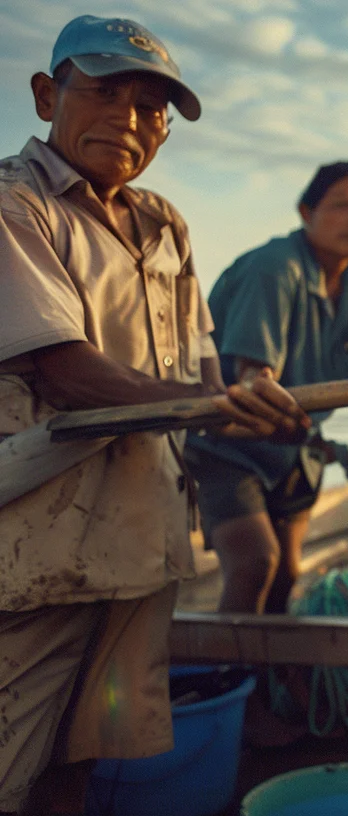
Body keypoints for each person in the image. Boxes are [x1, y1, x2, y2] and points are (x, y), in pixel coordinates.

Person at [0, 16, 309, 815]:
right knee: (10, 761)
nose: (130, 121)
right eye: (106, 93)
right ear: (46, 95)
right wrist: (208, 405)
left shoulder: (165, 223)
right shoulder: (16, 207)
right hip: (38, 544)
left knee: (86, 756)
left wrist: (251, 406)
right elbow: (65, 374)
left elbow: (200, 366)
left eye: (151, 107)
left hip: (143, 540)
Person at [185, 161, 348, 618]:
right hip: (229, 444)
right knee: (255, 564)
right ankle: (223, 679)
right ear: (306, 211)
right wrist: (285, 422)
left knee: (286, 576)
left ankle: (269, 685)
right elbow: (252, 382)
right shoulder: (275, 267)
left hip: (295, 448)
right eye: (342, 206)